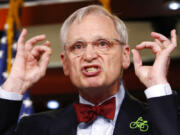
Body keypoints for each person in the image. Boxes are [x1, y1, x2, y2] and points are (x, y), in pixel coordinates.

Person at [0, 5, 179, 135]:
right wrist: (15, 85)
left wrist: (157, 86)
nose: (89, 55)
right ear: (65, 63)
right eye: (77, 47)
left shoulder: (163, 119)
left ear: (125, 56)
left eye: (102, 43)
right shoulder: (34, 128)